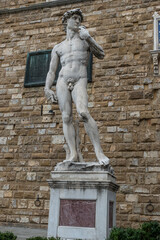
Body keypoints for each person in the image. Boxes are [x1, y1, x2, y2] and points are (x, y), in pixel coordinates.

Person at [44, 8, 109, 165]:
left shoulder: (84, 40)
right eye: (75, 18)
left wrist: (89, 38)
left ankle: (99, 153)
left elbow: (101, 54)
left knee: (83, 112)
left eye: (80, 18)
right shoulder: (58, 47)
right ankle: (72, 154)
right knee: (66, 117)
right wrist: (47, 88)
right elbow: (51, 71)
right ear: (67, 21)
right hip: (62, 80)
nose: (78, 21)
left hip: (80, 78)